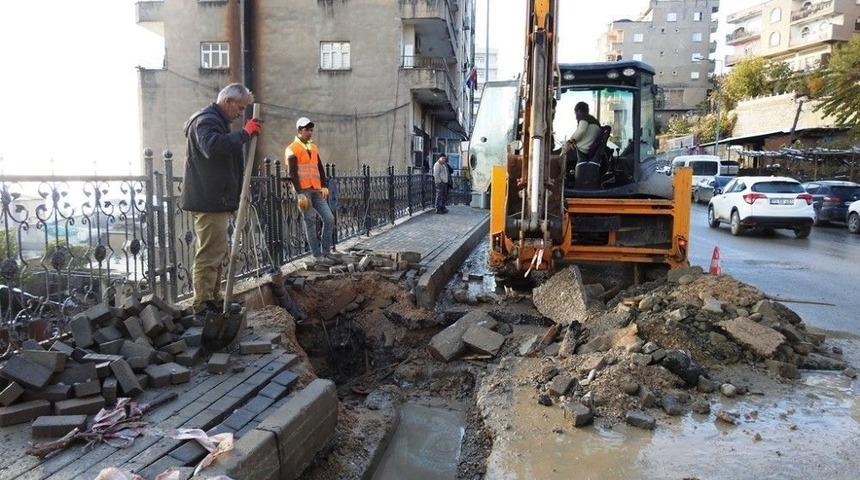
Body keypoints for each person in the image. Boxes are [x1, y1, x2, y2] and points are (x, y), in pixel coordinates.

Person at [182, 83, 262, 315]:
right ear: (227, 101)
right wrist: (245, 133)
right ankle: (203, 304)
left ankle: (213, 299)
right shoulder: (205, 121)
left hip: (217, 199)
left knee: (217, 251)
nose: (240, 113)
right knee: (209, 252)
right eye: (239, 107)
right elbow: (212, 146)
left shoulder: (217, 122)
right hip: (209, 200)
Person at [286, 117, 337, 265]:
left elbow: (319, 167)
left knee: (329, 218)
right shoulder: (292, 148)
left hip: (316, 189)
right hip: (303, 191)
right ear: (299, 130)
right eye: (307, 129)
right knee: (310, 221)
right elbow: (293, 173)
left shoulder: (313, 147)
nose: (310, 132)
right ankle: (317, 255)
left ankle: (326, 252)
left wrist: (324, 185)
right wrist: (299, 193)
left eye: (311, 129)